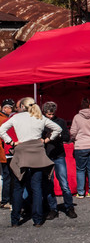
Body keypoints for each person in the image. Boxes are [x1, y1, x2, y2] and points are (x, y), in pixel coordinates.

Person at [0, 97, 61, 227]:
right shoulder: (40, 117)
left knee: (18, 188)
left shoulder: (16, 118)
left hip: (21, 152)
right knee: (37, 187)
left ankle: (15, 220)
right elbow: (58, 129)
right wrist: (46, 140)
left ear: (22, 106)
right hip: (37, 152)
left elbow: (1, 130)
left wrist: (11, 142)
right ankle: (38, 220)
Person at [42, 101, 77, 219]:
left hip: (59, 155)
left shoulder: (60, 121)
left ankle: (69, 207)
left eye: (52, 114)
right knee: (49, 184)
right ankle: (53, 209)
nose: (50, 116)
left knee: (64, 183)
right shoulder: (41, 122)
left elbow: (67, 137)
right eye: (48, 114)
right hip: (46, 156)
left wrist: (59, 136)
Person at [0, 99, 15, 209]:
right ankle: (5, 200)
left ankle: (6, 199)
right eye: (11, 108)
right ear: (5, 108)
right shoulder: (4, 120)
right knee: (7, 176)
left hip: (3, 152)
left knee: (7, 176)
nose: (12, 110)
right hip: (4, 152)